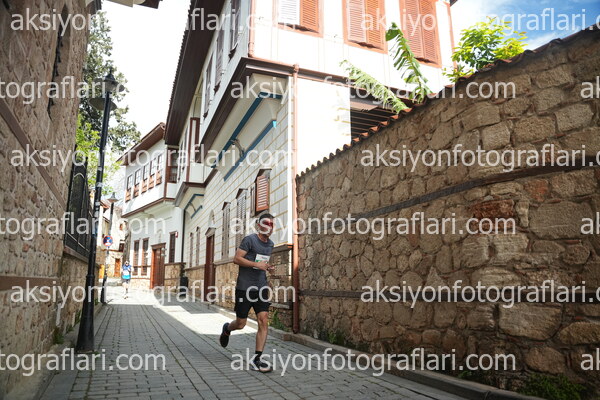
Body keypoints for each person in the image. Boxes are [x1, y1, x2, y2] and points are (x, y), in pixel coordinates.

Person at [220, 213, 275, 373]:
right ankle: (227, 329)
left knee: (263, 320)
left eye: (272, 224)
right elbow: (237, 259)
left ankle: (257, 359)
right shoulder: (249, 240)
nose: (269, 227)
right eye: (266, 224)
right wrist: (256, 265)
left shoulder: (270, 244)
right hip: (245, 288)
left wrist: (268, 268)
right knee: (241, 323)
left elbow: (262, 262)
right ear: (259, 225)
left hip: (261, 287)